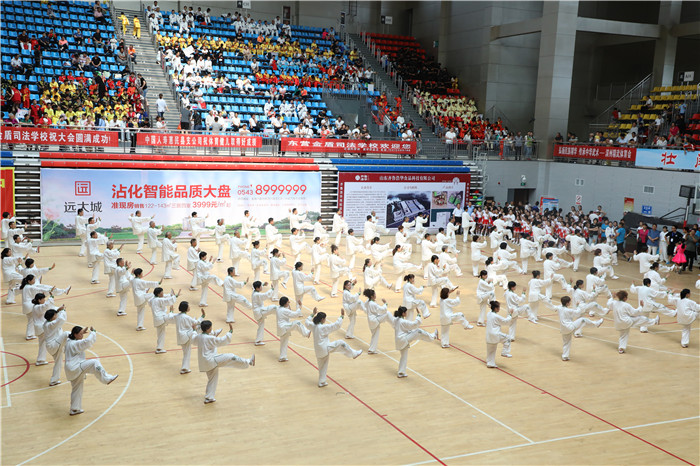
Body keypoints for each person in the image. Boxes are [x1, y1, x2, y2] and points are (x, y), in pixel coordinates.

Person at [193, 321, 255, 404]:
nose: (211, 329)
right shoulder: (209, 338)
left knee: (212, 379)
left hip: (204, 363)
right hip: (211, 360)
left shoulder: (199, 337)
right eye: (211, 327)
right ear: (208, 329)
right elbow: (221, 341)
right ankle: (248, 361)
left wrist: (194, 329)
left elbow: (194, 338)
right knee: (230, 356)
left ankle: (209, 397)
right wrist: (230, 333)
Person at [64, 326, 118, 415]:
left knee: (77, 388)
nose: (82, 335)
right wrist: (93, 332)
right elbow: (87, 342)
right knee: (94, 362)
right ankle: (106, 379)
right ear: (75, 334)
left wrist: (82, 332)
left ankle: (74, 408)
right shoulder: (74, 344)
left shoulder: (69, 341)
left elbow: (80, 340)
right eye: (80, 334)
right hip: (75, 367)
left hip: (70, 369)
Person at [304, 308, 361, 387]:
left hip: (318, 351)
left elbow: (306, 322)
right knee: (341, 342)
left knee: (322, 367)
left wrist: (312, 314)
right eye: (325, 319)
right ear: (322, 319)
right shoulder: (322, 327)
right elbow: (336, 326)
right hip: (325, 348)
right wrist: (341, 316)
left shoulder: (313, 326)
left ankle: (322, 382)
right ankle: (353, 354)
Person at [388, 306, 438, 378]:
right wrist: (418, 315)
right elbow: (414, 324)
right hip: (403, 339)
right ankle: (433, 336)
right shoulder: (402, 321)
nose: (407, 313)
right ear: (403, 313)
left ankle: (401, 372)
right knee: (418, 331)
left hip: (399, 341)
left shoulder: (396, 319)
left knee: (403, 356)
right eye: (406, 312)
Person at [276, 295, 311, 362]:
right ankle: (306, 333)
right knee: (297, 323)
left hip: (281, 328)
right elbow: (295, 314)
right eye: (288, 302)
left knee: (284, 342)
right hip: (284, 327)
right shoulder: (284, 310)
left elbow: (289, 311)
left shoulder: (279, 308)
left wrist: (290, 306)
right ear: (285, 303)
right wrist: (300, 307)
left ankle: (282, 357)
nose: (289, 303)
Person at [174, 301, 205, 374]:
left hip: (180, 337)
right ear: (186, 308)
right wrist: (202, 316)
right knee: (187, 352)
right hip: (186, 336)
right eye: (188, 306)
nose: (189, 307)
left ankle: (185, 367)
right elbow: (196, 322)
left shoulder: (177, 316)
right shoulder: (186, 317)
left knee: (186, 352)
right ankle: (185, 368)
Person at [43, 307, 69, 386]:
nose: (56, 315)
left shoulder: (48, 322)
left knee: (58, 363)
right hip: (53, 345)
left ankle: (54, 380)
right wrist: (63, 310)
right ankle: (75, 338)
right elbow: (61, 319)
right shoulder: (51, 324)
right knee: (66, 333)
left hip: (55, 345)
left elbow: (59, 318)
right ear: (52, 317)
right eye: (55, 315)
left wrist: (58, 310)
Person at [150, 287, 179, 353]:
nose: (163, 293)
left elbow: (164, 298)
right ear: (158, 294)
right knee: (174, 318)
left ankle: (159, 348)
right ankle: (175, 315)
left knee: (160, 333)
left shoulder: (152, 300)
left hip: (156, 319)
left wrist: (170, 295)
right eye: (162, 292)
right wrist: (175, 296)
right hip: (161, 318)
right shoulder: (159, 300)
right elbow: (167, 301)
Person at [485, 301, 512, 368]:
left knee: (491, 349)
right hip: (495, 334)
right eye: (499, 307)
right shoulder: (496, 316)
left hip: (488, 335)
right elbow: (506, 322)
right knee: (508, 338)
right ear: (496, 308)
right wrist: (510, 314)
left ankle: (490, 362)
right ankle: (505, 352)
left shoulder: (488, 314)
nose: (499, 308)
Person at [364, 288, 389, 354]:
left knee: (374, 335)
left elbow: (365, 304)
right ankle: (395, 323)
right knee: (387, 314)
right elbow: (382, 309)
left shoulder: (368, 302)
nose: (375, 295)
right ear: (372, 296)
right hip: (375, 320)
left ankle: (371, 349)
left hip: (371, 321)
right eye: (374, 294)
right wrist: (385, 303)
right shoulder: (373, 304)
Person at [252, 281, 277, 346]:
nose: (261, 287)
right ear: (257, 288)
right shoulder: (257, 294)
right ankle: (281, 311)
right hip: (259, 311)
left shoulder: (254, 292)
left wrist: (263, 284)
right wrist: (272, 289)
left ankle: (258, 341)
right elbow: (265, 295)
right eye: (260, 286)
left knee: (261, 326)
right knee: (273, 307)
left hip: (257, 312)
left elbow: (258, 289)